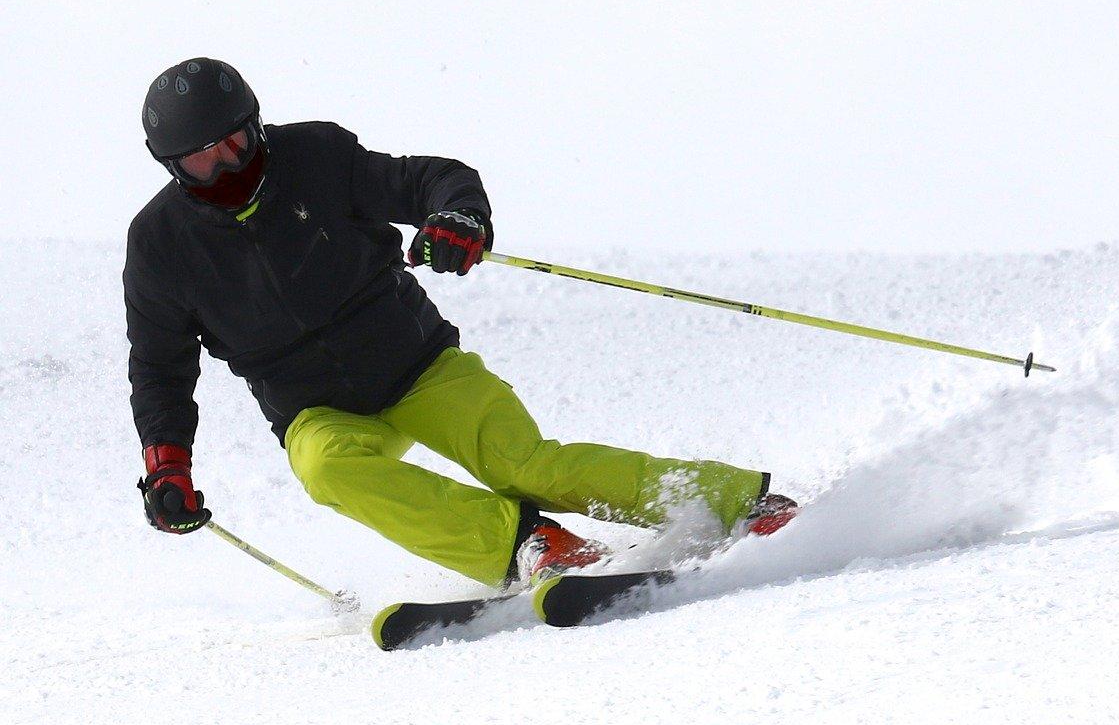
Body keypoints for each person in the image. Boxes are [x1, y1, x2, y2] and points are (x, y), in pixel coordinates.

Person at [127, 57, 796, 590]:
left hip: (417, 366)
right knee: (327, 468)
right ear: (172, 165)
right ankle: (530, 543)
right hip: (314, 407)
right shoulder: (160, 244)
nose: (224, 164)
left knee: (526, 464)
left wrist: (457, 218)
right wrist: (167, 465)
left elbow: (433, 180)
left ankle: (736, 502)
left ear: (257, 125)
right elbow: (159, 366)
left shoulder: (317, 158)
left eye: (234, 142)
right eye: (200, 157)